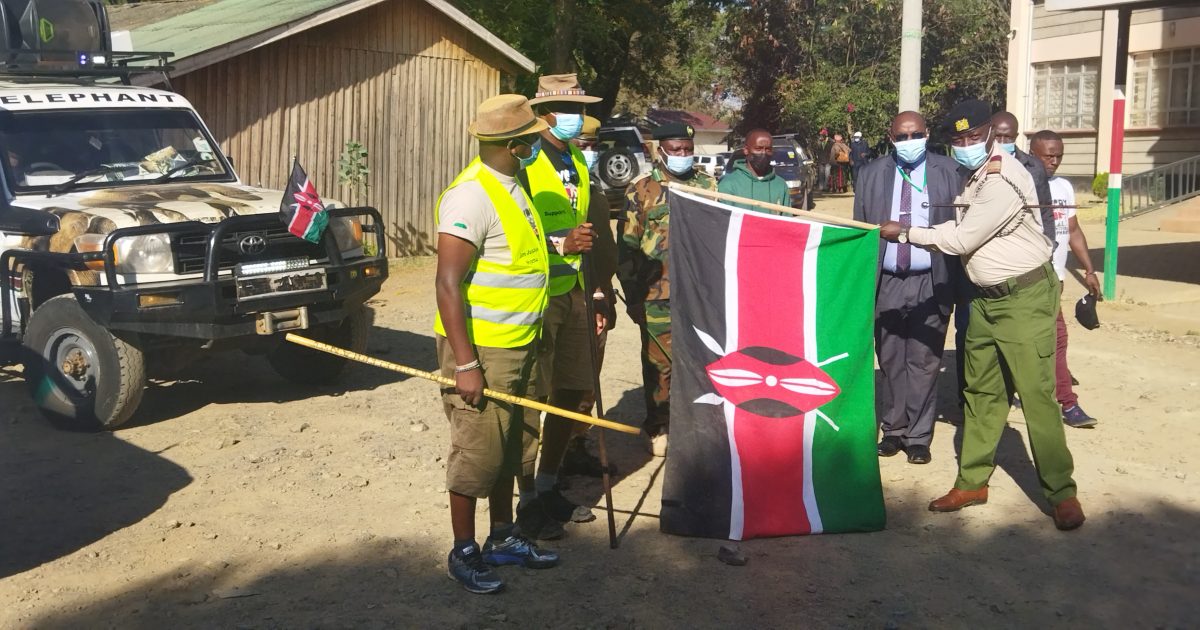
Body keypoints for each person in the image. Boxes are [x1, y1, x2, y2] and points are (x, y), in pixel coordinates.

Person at [880, 99, 1085, 531]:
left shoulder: (1001, 178)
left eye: (973, 136)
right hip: (985, 300)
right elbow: (960, 229)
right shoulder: (973, 177)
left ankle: (1061, 492)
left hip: (1023, 299)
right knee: (981, 392)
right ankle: (973, 482)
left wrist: (907, 233)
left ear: (991, 132)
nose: (966, 145)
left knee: (1036, 395)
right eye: (958, 140)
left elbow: (962, 239)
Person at [434, 94, 568, 593]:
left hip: (522, 343)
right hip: (484, 351)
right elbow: (448, 284)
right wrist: (466, 364)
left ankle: (503, 537)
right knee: (478, 454)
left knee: (514, 446)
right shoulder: (471, 196)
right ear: (515, 145)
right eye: (532, 138)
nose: (539, 142)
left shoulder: (513, 185)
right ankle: (464, 551)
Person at [519, 74, 616, 537]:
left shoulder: (575, 156)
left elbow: (588, 229)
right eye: (568, 108)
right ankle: (526, 502)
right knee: (532, 398)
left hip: (576, 289)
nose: (577, 117)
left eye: (580, 108)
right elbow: (512, 227)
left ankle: (549, 483)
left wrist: (598, 289)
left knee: (571, 392)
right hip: (537, 293)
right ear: (545, 112)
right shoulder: (525, 156)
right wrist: (559, 243)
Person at [853, 111, 962, 465]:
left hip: (930, 279)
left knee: (924, 360)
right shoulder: (870, 174)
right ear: (891, 137)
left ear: (927, 134)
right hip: (886, 281)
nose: (909, 141)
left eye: (915, 134)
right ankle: (893, 430)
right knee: (889, 359)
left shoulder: (949, 172)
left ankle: (918, 436)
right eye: (901, 136)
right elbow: (859, 230)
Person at [618, 122, 718, 456]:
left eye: (687, 149)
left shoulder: (708, 185)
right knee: (660, 364)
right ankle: (658, 425)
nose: (682, 155)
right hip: (656, 294)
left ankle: (695, 422)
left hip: (699, 293)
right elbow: (627, 248)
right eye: (675, 150)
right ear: (660, 151)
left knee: (700, 360)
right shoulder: (641, 190)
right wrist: (632, 297)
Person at [1029, 129, 1100, 428]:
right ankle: (1068, 403)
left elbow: (1072, 231)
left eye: (1059, 156)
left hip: (1054, 280)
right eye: (1049, 156)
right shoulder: (1021, 186)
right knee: (1054, 338)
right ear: (1032, 154)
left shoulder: (1064, 188)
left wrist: (1089, 270)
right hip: (1028, 280)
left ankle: (1060, 398)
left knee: (1053, 340)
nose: (1054, 161)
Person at [717, 127, 790, 211]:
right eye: (758, 149)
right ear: (746, 150)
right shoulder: (728, 184)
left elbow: (787, 217)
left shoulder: (780, 185)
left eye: (768, 149)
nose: (763, 153)